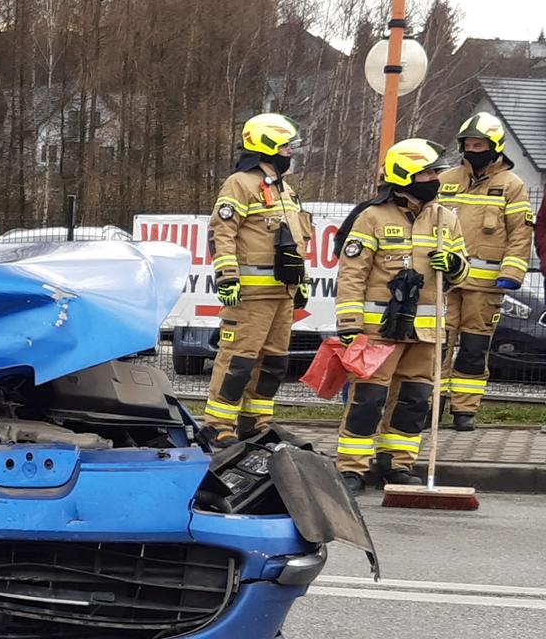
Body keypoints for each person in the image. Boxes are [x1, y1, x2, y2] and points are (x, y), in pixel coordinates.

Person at [328, 139, 469, 494]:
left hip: (425, 334)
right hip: (379, 331)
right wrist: (349, 325)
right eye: (427, 173)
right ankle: (352, 468)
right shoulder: (372, 217)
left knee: (414, 401)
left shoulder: (445, 219)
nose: (435, 179)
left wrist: (454, 265)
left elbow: (461, 272)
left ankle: (397, 465)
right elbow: (352, 274)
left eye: (435, 172)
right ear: (405, 176)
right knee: (368, 399)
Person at [202, 113, 313, 445]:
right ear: (267, 146)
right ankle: (218, 425)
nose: (290, 152)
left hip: (282, 294)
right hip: (250, 295)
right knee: (238, 361)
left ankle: (256, 424)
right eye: (285, 146)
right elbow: (222, 232)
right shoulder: (240, 183)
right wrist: (227, 276)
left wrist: (302, 280)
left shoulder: (284, 189)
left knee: (273, 364)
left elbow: (297, 239)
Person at [436, 112, 536, 430]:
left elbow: (520, 233)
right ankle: (429, 405)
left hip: (486, 286)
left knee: (474, 349)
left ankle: (464, 410)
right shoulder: (446, 179)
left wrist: (512, 272)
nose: (472, 150)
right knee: (437, 345)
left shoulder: (511, 185)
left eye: (478, 145)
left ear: (494, 147)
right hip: (445, 282)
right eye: (467, 144)